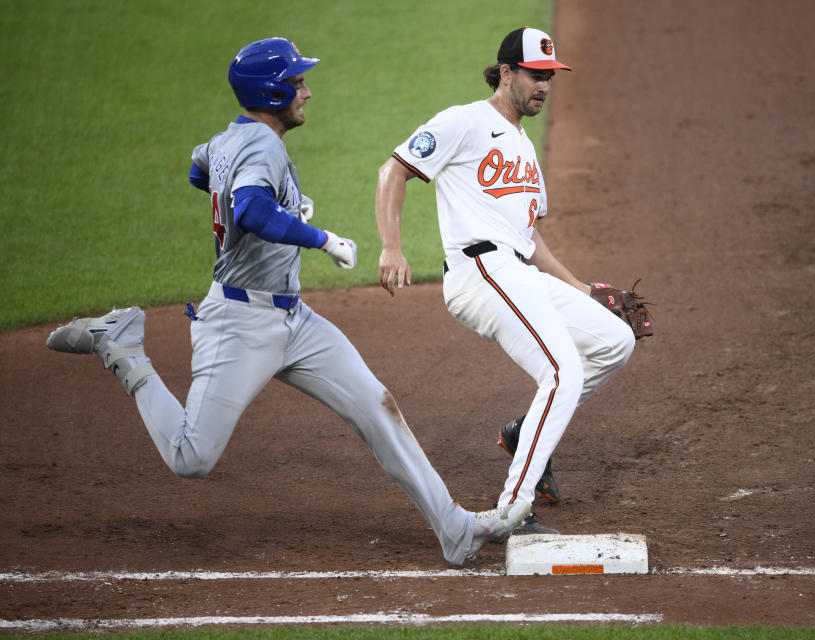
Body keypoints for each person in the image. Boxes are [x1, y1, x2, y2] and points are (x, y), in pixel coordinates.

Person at [45, 37, 530, 565]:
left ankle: (455, 530)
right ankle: (121, 347)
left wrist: (258, 201)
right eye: (298, 84)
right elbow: (251, 211)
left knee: (376, 406)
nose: (308, 92)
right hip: (238, 323)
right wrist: (321, 237)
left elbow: (199, 170)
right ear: (272, 91)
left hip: (295, 320)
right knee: (192, 457)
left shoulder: (229, 139)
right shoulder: (264, 147)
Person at [375, 28, 636, 533]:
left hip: (514, 269)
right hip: (480, 272)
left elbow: (529, 238)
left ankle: (525, 432)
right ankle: (512, 511)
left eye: (550, 78)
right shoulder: (464, 122)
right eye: (536, 76)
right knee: (563, 372)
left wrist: (583, 290)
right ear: (507, 73)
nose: (544, 86)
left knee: (614, 341)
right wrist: (392, 246)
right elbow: (394, 170)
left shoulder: (524, 148)